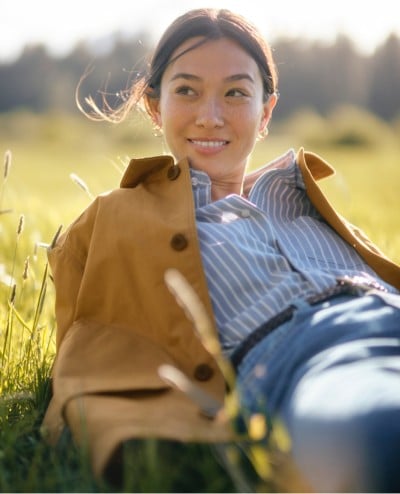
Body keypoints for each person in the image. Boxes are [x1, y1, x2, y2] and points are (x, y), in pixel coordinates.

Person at [42, 7, 400, 492]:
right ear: (155, 106)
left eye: (235, 93)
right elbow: (85, 343)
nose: (210, 116)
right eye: (187, 90)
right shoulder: (120, 218)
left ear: (266, 111)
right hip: (306, 362)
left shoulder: (300, 195)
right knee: (381, 434)